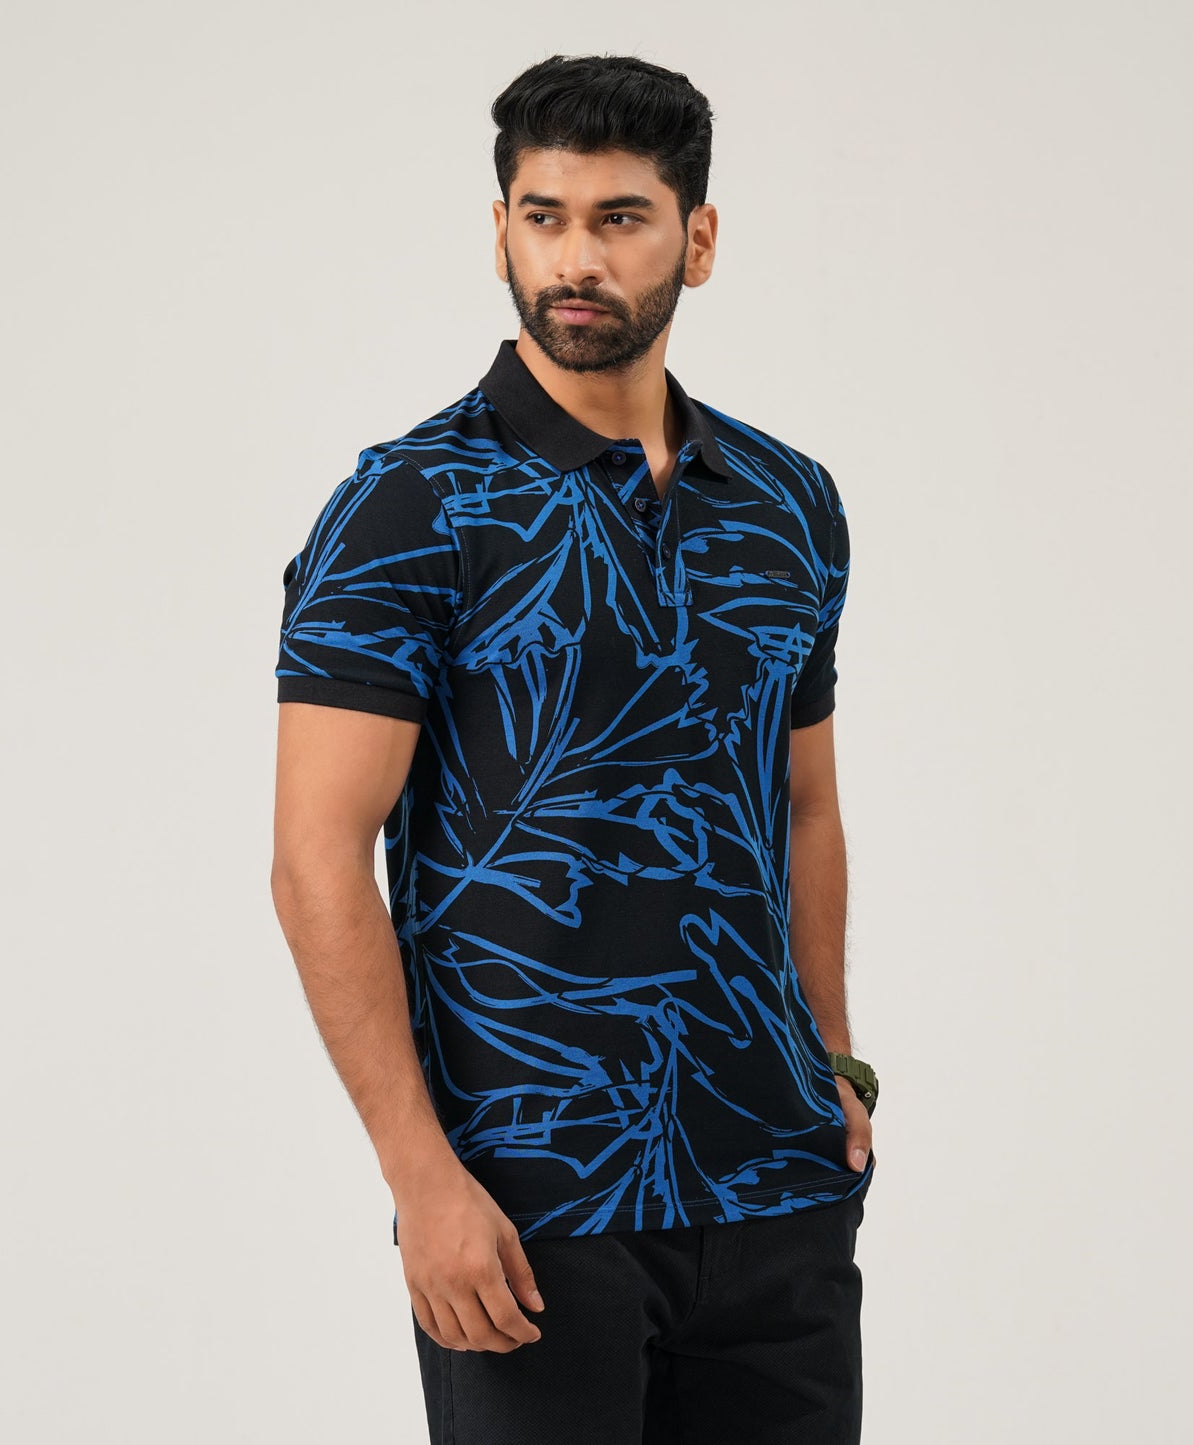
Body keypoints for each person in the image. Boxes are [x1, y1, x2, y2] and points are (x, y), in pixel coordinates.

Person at [270, 51, 879, 1444]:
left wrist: (834, 1061)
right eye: (543, 217)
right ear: (500, 231)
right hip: (531, 1207)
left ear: (697, 241)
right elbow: (315, 858)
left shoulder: (788, 502)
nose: (575, 259)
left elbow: (804, 803)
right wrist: (421, 1178)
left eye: (619, 218)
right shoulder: (411, 504)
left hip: (778, 1189)